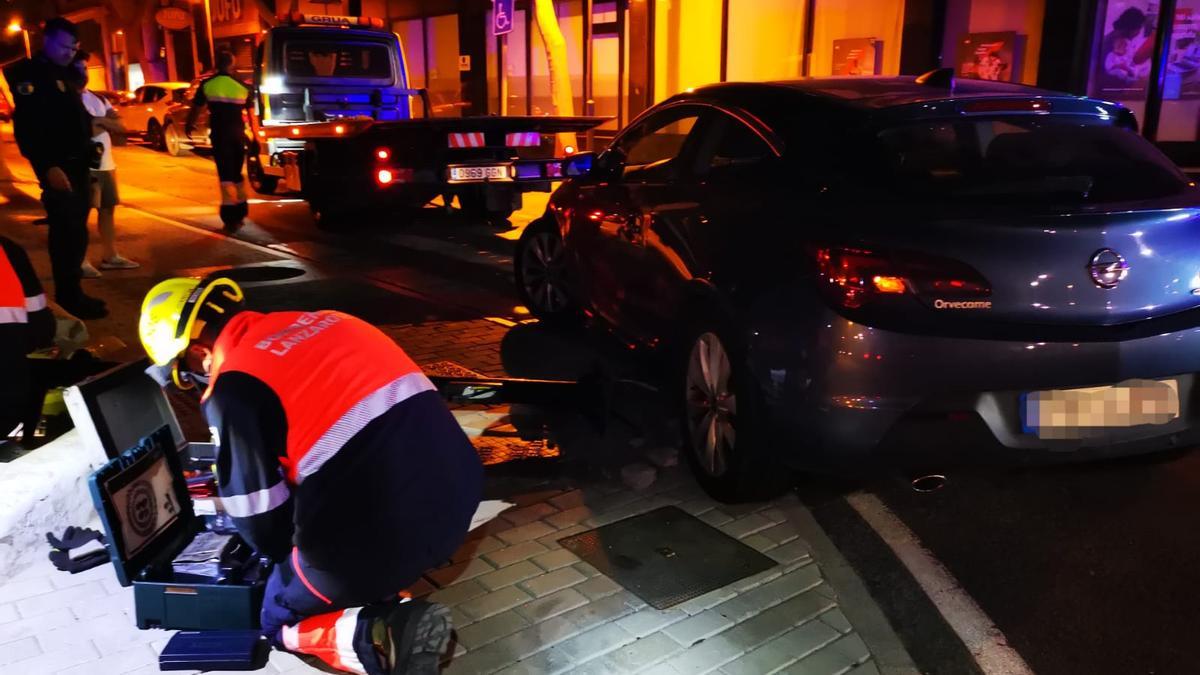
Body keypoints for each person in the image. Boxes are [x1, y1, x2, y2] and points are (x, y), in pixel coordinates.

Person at [138, 275, 484, 675]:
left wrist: (278, 563)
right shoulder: (335, 321)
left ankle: (387, 631)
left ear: (199, 353)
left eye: (185, 372)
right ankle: (377, 591)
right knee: (340, 533)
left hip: (389, 537)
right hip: (457, 497)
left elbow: (262, 527)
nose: (194, 382)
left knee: (277, 616)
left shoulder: (233, 385)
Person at [2, 17, 106, 319]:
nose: (70, 52)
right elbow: (30, 129)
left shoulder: (67, 73)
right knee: (66, 233)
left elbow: (76, 119)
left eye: (74, 47)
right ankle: (67, 298)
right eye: (64, 46)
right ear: (47, 41)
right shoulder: (29, 74)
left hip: (79, 164)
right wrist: (47, 167)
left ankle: (73, 293)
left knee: (77, 234)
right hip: (58, 168)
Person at [70, 52, 138, 278]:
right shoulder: (67, 99)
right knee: (81, 214)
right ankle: (79, 260)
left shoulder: (98, 98)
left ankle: (111, 256)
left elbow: (121, 126)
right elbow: (83, 131)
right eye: (78, 68)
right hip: (84, 164)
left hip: (106, 163)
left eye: (85, 68)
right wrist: (102, 124)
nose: (83, 73)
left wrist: (99, 122)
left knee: (107, 209)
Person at [186, 51, 250, 231]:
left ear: (216, 65)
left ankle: (230, 216)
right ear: (231, 65)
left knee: (225, 175)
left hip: (220, 135)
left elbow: (197, 107)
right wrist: (255, 137)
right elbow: (251, 114)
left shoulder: (208, 84)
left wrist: (190, 125)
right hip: (238, 134)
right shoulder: (241, 86)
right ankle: (241, 211)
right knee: (237, 174)